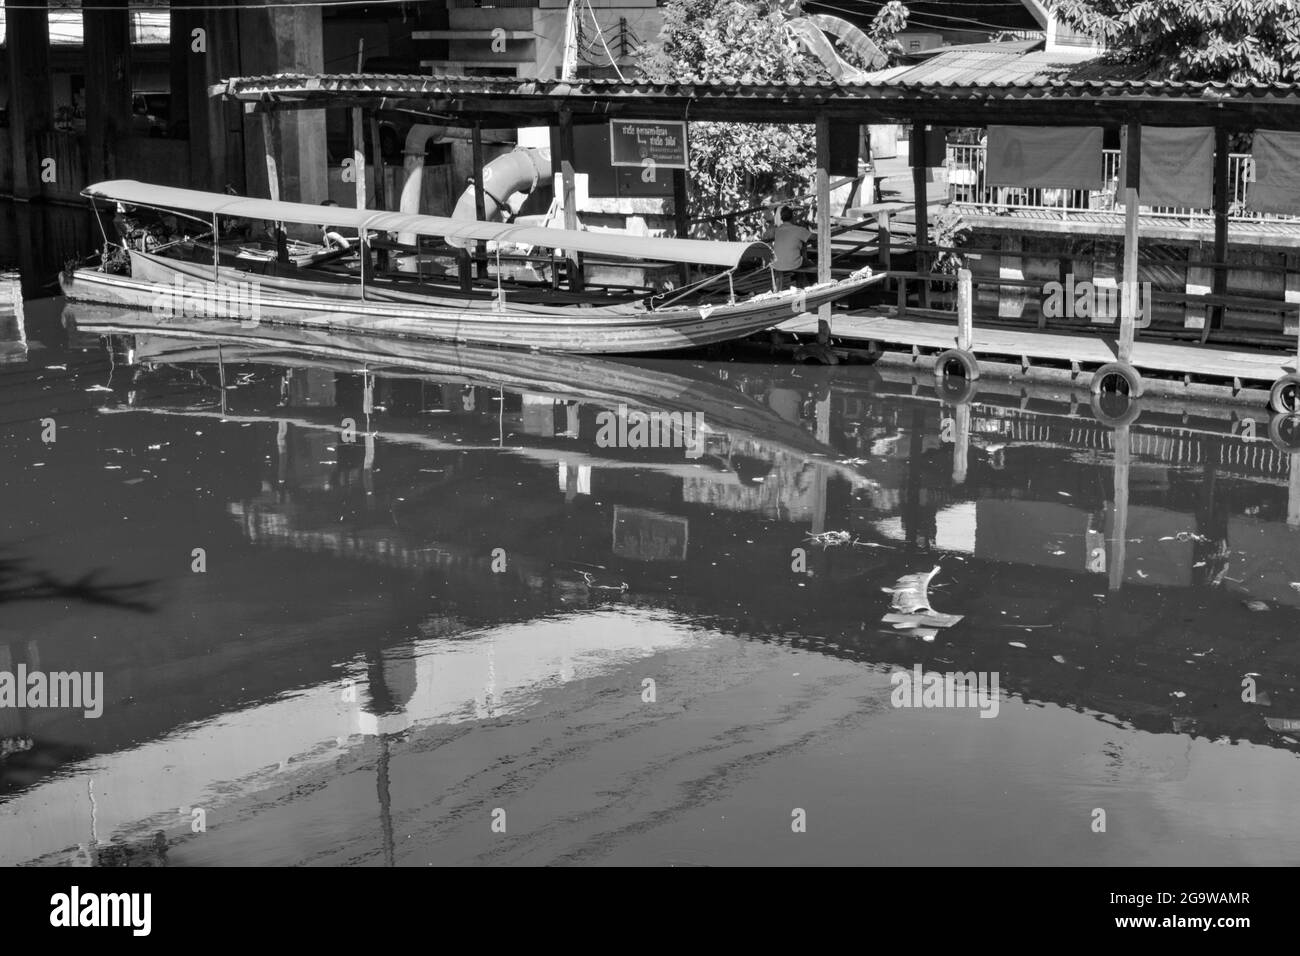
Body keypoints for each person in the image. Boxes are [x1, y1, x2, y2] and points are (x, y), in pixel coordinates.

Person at [770, 205, 812, 290]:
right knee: (811, 264)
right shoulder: (799, 230)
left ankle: (795, 285)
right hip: (794, 264)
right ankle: (814, 284)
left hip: (777, 264)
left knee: (797, 258)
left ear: (781, 218)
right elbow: (813, 237)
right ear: (792, 217)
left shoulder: (777, 230)